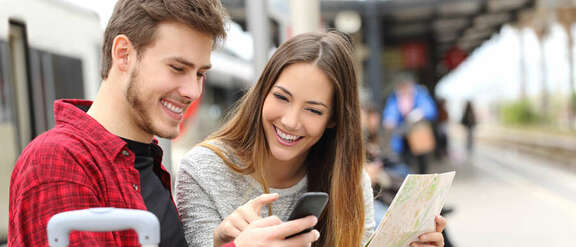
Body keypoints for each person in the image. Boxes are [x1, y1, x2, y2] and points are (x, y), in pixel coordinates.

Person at [9, 0, 318, 246]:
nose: (192, 91)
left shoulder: (145, 161)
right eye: (177, 68)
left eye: (199, 73)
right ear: (123, 54)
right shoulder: (59, 160)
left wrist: (220, 241)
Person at [175, 32, 446, 247]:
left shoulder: (350, 181)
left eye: (313, 110)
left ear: (333, 120)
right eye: (281, 97)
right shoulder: (202, 171)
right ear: (262, 93)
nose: (291, 121)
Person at [382, 72, 437, 174]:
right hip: (401, 136)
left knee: (421, 163)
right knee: (404, 162)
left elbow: (430, 109)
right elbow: (390, 112)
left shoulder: (420, 93)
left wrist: (420, 113)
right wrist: (390, 119)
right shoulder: (394, 97)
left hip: (418, 135)